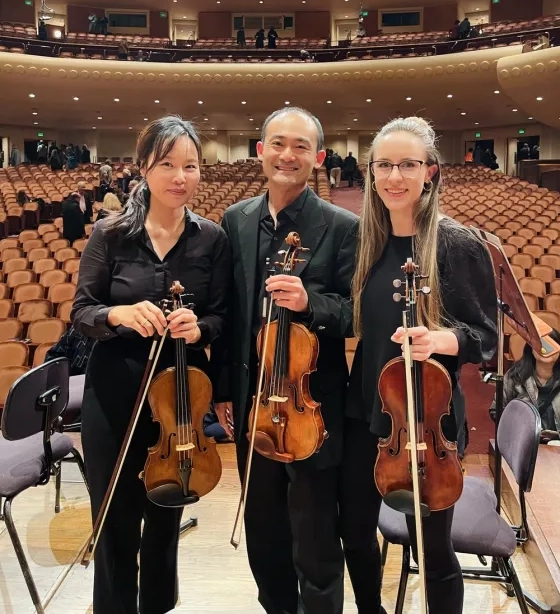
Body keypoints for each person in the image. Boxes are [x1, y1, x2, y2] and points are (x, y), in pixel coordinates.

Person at [71, 115, 230, 614]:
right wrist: (117, 312)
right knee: (114, 524)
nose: (180, 176)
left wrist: (199, 327)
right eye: (167, 164)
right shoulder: (110, 234)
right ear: (143, 167)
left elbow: (223, 315)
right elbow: (81, 312)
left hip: (179, 401)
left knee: (164, 522)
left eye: (190, 165)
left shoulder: (212, 239)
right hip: (114, 395)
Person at [339, 116, 497, 614]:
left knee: (432, 550)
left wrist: (441, 339)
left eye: (408, 164)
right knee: (353, 530)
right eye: (383, 165)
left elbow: (486, 339)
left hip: (429, 421)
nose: (395, 176)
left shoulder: (458, 244)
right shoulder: (366, 241)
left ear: (430, 170)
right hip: (366, 411)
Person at [214, 106, 358, 614]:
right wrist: (223, 388)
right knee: (265, 539)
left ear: (318, 157)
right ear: (260, 152)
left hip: (310, 410)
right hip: (252, 407)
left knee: (317, 543)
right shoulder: (237, 220)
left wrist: (310, 303)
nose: (287, 154)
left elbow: (355, 313)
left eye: (300, 146)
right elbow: (230, 312)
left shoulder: (342, 226)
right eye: (277, 143)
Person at [490, 329, 560, 443]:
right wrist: (520, 429)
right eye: (540, 344)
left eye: (551, 345)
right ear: (531, 349)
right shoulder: (515, 376)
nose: (546, 350)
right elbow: (497, 411)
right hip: (521, 444)